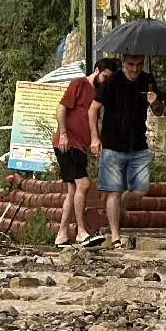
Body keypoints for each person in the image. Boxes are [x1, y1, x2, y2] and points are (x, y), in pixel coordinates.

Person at [88, 53, 166, 246]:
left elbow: (159, 111)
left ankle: (113, 211)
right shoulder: (113, 81)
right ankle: (115, 236)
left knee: (140, 189)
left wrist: (154, 101)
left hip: (138, 145)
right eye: (131, 64)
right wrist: (95, 138)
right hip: (113, 145)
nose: (134, 69)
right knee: (114, 191)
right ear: (123, 63)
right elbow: (93, 108)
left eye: (139, 65)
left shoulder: (147, 80)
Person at [52, 57, 114, 246]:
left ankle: (61, 235)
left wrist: (97, 143)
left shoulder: (98, 95)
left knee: (73, 190)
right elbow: (61, 107)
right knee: (84, 184)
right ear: (96, 70)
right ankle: (80, 231)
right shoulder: (79, 84)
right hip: (67, 144)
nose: (106, 81)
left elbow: (93, 121)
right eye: (105, 76)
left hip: (81, 147)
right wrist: (63, 134)